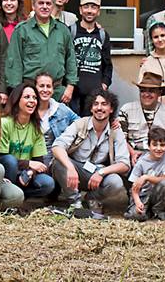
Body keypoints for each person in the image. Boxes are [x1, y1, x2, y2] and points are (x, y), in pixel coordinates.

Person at [51, 89, 129, 218]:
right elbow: (57, 146)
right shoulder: (80, 124)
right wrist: (70, 168)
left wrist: (101, 172)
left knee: (115, 182)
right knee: (58, 162)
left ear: (111, 109)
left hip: (97, 172)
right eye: (96, 104)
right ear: (91, 108)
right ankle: (75, 202)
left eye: (104, 104)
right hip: (76, 169)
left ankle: (92, 199)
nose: (99, 108)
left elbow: (124, 164)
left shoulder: (116, 131)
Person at [118, 72, 165, 189]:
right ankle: (131, 191)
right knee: (120, 164)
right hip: (136, 155)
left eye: (151, 91)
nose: (146, 94)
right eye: (143, 90)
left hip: (162, 153)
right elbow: (120, 139)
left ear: (159, 93)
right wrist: (132, 153)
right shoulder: (126, 109)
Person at [5, 0, 77, 101]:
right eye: (41, 3)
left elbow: (71, 59)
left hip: (57, 91)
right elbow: (15, 61)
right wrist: (17, 91)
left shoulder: (62, 30)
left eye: (48, 3)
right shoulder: (22, 30)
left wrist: (70, 86)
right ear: (33, 6)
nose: (45, 6)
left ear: (53, 6)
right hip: (30, 91)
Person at [0, 83, 54, 198]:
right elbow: (0, 157)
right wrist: (28, 163)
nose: (32, 101)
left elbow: (39, 163)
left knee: (48, 183)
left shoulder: (36, 127)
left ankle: (19, 196)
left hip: (24, 173)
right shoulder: (4, 123)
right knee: (10, 160)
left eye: (34, 98)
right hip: (5, 171)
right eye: (27, 97)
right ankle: (8, 196)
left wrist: (30, 173)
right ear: (17, 100)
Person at [70, 0, 113, 116]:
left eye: (93, 7)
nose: (90, 11)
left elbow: (108, 65)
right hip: (74, 94)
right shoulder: (71, 31)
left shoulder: (103, 35)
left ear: (98, 11)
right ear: (80, 9)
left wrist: (104, 84)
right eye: (86, 6)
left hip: (94, 96)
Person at [124, 126, 165, 222]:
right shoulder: (141, 162)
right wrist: (137, 201)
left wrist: (146, 177)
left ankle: (159, 210)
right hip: (142, 195)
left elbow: (164, 179)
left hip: (157, 194)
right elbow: (134, 188)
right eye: (155, 145)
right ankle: (143, 211)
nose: (158, 148)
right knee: (137, 216)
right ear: (148, 146)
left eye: (162, 145)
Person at [35, 72, 79, 154]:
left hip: (56, 158)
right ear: (35, 88)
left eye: (48, 86)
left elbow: (81, 123)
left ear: (52, 90)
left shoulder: (61, 109)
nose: (45, 90)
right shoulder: (28, 109)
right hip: (32, 158)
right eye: (41, 86)